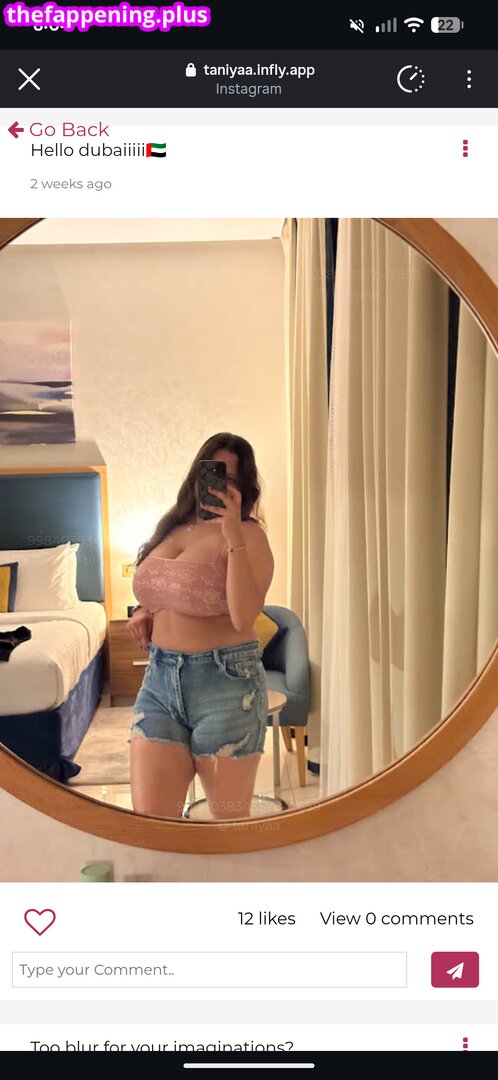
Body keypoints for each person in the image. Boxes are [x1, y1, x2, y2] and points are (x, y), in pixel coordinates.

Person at [128, 432, 274, 820]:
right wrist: (145, 610)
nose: (219, 485)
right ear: (197, 474)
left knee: (226, 827)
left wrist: (233, 535)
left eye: (230, 478)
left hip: (226, 683)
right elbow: (164, 588)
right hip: (160, 681)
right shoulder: (172, 528)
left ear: (243, 487)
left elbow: (244, 616)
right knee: (152, 824)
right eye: (213, 472)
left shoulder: (250, 535)